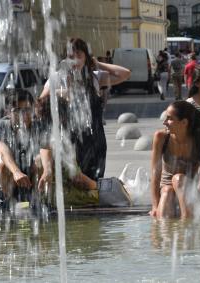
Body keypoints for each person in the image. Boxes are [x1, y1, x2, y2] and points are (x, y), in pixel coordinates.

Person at [38, 38, 131, 191]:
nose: (74, 60)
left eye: (79, 55)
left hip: (95, 137)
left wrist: (98, 64)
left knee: (94, 178)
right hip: (70, 137)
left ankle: (92, 202)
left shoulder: (94, 77)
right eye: (70, 56)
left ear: (86, 57)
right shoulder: (56, 78)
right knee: (75, 179)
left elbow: (125, 74)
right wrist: (60, 93)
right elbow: (40, 103)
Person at [149, 101, 200, 218]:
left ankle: (187, 226)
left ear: (184, 122)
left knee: (178, 179)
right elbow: (155, 172)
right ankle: (162, 234)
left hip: (189, 189)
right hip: (166, 188)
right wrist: (155, 206)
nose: (165, 122)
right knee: (167, 192)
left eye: (169, 118)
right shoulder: (161, 137)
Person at [0, 90, 45, 218]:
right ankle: (7, 202)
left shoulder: (38, 126)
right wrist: (16, 172)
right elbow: (2, 150)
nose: (23, 115)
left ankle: (37, 200)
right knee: (2, 164)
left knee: (41, 159)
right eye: (17, 110)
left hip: (31, 180)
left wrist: (48, 170)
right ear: (8, 111)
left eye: (27, 110)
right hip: (6, 182)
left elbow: (46, 149)